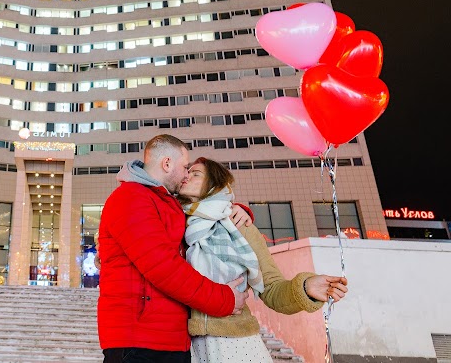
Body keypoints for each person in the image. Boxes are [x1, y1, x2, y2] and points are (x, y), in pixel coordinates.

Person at [98, 134, 254, 363]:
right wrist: (225, 300)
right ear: (167, 164)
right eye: (184, 167)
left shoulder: (165, 203)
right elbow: (164, 268)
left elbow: (202, 215)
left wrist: (237, 212)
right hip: (140, 341)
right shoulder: (131, 197)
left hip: (170, 337)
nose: (185, 175)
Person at [179, 157, 349, 363]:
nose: (187, 176)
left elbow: (271, 288)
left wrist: (305, 288)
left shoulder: (238, 225)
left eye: (195, 173)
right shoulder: (175, 223)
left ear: (215, 184)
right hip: (184, 344)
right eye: (187, 171)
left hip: (236, 341)